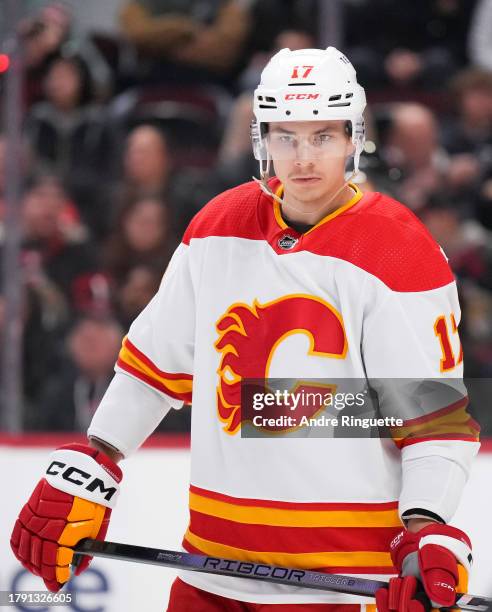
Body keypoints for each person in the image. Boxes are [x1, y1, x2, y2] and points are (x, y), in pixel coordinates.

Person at [10, 47, 480, 611]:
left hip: (341, 583)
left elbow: (435, 425)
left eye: (323, 136)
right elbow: (152, 367)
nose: (303, 157)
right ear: (262, 139)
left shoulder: (401, 253)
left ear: (353, 136)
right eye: (287, 136)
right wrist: (97, 459)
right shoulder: (217, 228)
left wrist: (426, 528)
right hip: (210, 571)